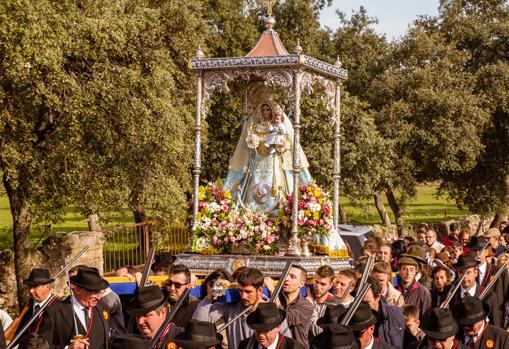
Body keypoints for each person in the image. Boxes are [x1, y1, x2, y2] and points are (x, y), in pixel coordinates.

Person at [223, 100, 311, 213]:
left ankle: (276, 211)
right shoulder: (255, 127)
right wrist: (252, 142)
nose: (265, 112)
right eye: (263, 110)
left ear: (272, 111)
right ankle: (253, 211)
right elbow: (249, 143)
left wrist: (281, 144)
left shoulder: (278, 126)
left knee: (273, 182)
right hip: (258, 160)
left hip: (272, 160)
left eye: (268, 109)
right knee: (255, 180)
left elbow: (287, 143)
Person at [193, 267, 290, 349]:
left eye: (248, 292)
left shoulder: (273, 310)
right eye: (240, 290)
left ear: (260, 290)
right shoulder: (229, 306)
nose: (243, 296)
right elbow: (198, 324)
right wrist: (210, 295)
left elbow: (287, 341)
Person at [38, 266, 112, 349]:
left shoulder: (103, 308)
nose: (98, 297)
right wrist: (67, 348)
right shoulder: (54, 312)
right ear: (77, 290)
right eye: (93, 291)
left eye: (100, 291)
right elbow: (42, 346)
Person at [264, 265, 313, 347]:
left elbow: (284, 320)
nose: (286, 279)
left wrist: (273, 291)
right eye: (285, 275)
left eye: (292, 277)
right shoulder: (278, 298)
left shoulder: (306, 306)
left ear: (301, 284)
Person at [449, 254, 502, 327]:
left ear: (476, 273)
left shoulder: (489, 296)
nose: (465, 277)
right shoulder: (450, 293)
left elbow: (496, 326)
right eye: (461, 272)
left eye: (468, 272)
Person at [238, 303, 306, 349]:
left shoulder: (294, 347)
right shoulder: (244, 346)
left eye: (266, 331)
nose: (261, 335)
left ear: (278, 327)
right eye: (258, 330)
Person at [363, 276, 404, 349]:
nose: (362, 306)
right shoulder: (352, 317)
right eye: (359, 302)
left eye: (367, 302)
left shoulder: (397, 315)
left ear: (378, 297)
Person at [15, 268, 56, 338]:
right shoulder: (27, 307)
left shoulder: (59, 308)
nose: (31, 291)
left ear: (47, 286)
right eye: (29, 287)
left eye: (35, 286)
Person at [306, 265, 339, 342]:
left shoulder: (334, 305)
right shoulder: (306, 295)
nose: (318, 287)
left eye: (323, 284)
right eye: (316, 282)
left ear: (330, 285)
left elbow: (319, 332)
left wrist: (310, 306)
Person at [165, 264, 199, 330]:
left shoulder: (196, 306)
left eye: (177, 285)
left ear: (188, 286)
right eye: (169, 283)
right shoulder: (161, 301)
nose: (172, 288)